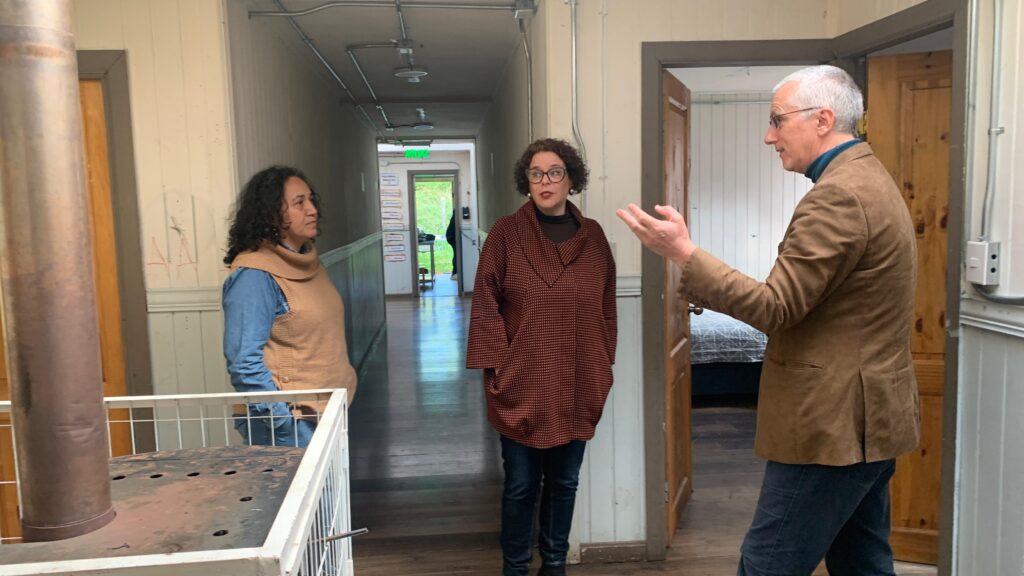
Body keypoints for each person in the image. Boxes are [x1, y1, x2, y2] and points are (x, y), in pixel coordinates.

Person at [618, 65, 919, 575]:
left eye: (778, 120)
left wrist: (685, 254)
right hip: (869, 420)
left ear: (823, 119)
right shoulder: (868, 177)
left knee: (767, 565)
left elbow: (775, 307)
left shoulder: (840, 195)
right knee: (863, 562)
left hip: (832, 428)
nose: (769, 136)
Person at [467, 138, 617, 576]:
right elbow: (485, 304)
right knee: (521, 485)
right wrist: (498, 366)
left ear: (571, 180)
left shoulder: (594, 238)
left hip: (578, 379)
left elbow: (606, 306)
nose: (545, 181)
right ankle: (514, 568)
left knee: (565, 482)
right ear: (526, 181)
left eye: (555, 172)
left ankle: (554, 564)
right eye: (536, 173)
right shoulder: (506, 234)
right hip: (523, 382)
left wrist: (602, 360)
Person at [222, 165, 357, 448]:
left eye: (311, 200)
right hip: (293, 423)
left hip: (325, 412)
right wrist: (280, 421)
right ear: (271, 213)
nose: (312, 210)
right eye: (299, 203)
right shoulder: (254, 275)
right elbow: (244, 361)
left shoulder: (307, 261)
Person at [446, 211, 458, 280]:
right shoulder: (456, 215)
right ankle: (455, 273)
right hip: (452, 237)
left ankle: (455, 272)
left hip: (450, 236)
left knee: (456, 254)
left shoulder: (455, 215)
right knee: (457, 255)